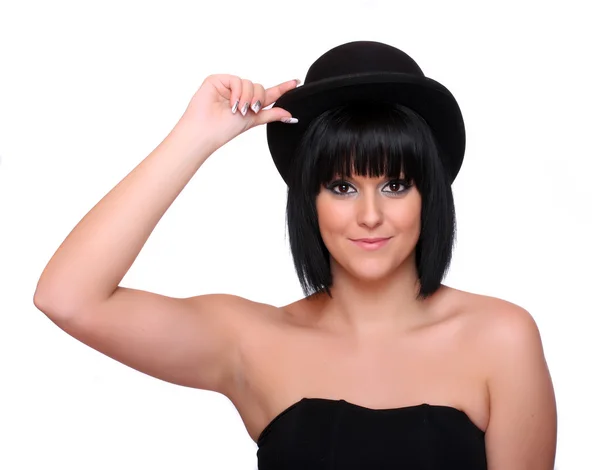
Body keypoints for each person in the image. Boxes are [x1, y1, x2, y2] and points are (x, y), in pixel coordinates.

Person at [33, 41, 557, 469]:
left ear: (429, 197)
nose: (370, 215)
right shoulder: (253, 342)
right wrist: (195, 138)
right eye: (342, 187)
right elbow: (68, 297)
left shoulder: (501, 338)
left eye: (395, 185)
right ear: (310, 201)